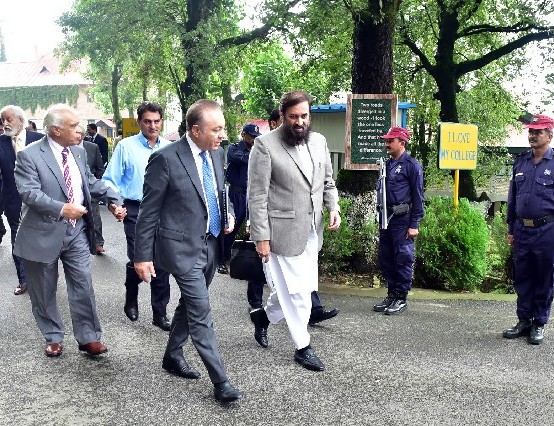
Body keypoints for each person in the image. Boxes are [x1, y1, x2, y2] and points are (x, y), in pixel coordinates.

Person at [134, 99, 242, 403]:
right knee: (201, 310)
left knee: (191, 304)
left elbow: (219, 193)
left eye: (222, 128)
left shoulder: (217, 153)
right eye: (216, 129)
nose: (222, 135)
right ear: (195, 130)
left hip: (211, 244)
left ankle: (172, 355)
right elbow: (148, 212)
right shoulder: (165, 159)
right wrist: (142, 256)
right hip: (180, 248)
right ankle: (221, 381)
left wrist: (228, 213)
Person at [13, 104, 126, 357]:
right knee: (44, 290)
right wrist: (62, 209)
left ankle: (89, 337)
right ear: (55, 130)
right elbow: (29, 193)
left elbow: (90, 182)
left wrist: (113, 200)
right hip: (41, 233)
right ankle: (53, 336)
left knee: (83, 284)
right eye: (74, 126)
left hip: (76, 233)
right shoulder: (29, 155)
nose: (80, 130)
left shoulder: (79, 152)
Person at [248, 90, 341, 372]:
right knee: (299, 293)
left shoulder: (319, 141)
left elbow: (327, 181)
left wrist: (333, 207)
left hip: (313, 229)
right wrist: (261, 237)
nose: (299, 122)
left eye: (304, 116)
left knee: (302, 287)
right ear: (282, 116)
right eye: (293, 117)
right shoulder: (264, 145)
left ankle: (263, 317)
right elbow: (257, 196)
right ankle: (303, 346)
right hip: (281, 232)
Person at [102, 102, 172, 331]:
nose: (152, 126)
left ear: (161, 121)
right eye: (147, 121)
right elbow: (109, 180)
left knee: (161, 261)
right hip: (135, 210)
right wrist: (115, 204)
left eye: (156, 121)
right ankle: (131, 297)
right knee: (138, 257)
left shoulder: (170, 148)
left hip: (164, 211)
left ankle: (160, 313)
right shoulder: (126, 147)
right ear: (139, 122)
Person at [504, 114, 554, 345]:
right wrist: (511, 228)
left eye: (538, 132)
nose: (533, 135)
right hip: (522, 230)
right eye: (531, 131)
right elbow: (512, 197)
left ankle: (539, 323)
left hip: (547, 231)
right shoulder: (521, 162)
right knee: (522, 277)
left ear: (549, 135)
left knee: (544, 277)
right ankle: (524, 320)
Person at [373, 126, 424, 315]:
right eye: (386, 141)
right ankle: (392, 293)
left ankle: (401, 297)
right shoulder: (387, 165)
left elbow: (418, 196)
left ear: (402, 143)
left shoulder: (412, 165)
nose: (387, 144)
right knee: (387, 257)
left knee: (403, 258)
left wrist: (414, 224)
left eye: (390, 141)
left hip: (402, 219)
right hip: (386, 218)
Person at [0, 105, 43, 295]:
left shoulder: (40, 140)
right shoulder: (1, 142)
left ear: (21, 120)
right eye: (3, 120)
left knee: (40, 239)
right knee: (17, 240)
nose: (5, 123)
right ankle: (24, 280)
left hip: (40, 200)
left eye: (8, 119)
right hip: (13, 200)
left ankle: (44, 273)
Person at [79, 128, 106, 254]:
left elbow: (100, 167)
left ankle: (98, 242)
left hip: (90, 188)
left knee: (95, 216)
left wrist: (96, 182)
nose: (78, 136)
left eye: (80, 133)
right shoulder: (65, 147)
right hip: (73, 190)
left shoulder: (92, 147)